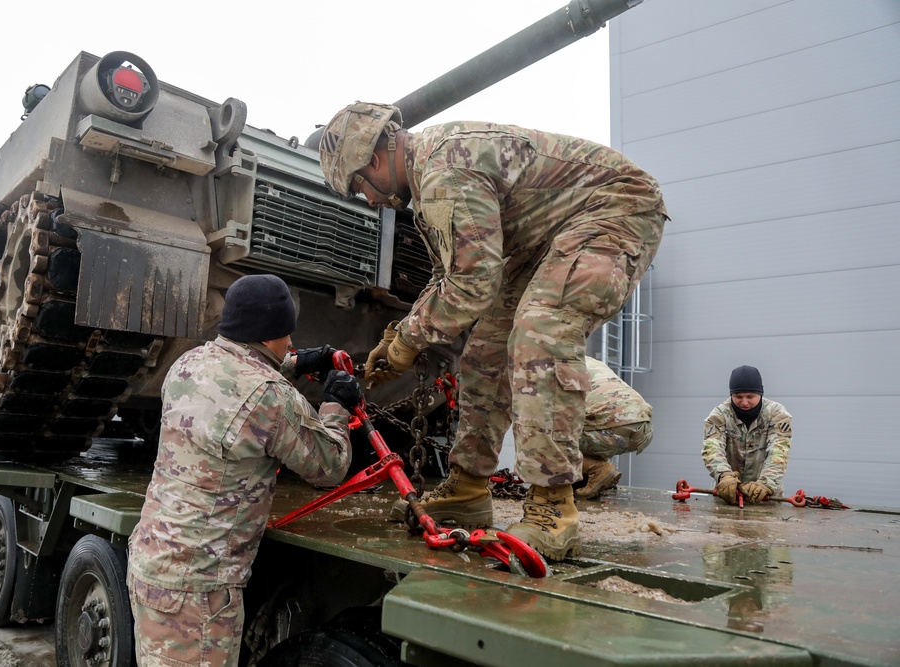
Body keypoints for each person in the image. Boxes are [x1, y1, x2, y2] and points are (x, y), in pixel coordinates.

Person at [319, 102, 667, 561]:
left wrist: (409, 341)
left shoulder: (444, 170)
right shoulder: (427, 184)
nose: (368, 200)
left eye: (359, 188)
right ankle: (467, 486)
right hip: (547, 237)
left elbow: (474, 284)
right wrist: (399, 335)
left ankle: (552, 507)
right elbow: (449, 276)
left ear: (374, 162)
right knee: (484, 351)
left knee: (540, 330)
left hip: (615, 209)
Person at [127, 273, 362, 667]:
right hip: (199, 593)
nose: (290, 342)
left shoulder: (189, 363)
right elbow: (330, 466)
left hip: (152, 565)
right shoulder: (272, 398)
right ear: (270, 333)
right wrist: (336, 404)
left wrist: (293, 363)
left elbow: (236, 383)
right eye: (287, 334)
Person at [702, 365, 792, 505]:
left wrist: (765, 483)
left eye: (750, 396)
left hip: (766, 497)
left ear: (760, 394)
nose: (744, 402)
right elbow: (712, 448)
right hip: (727, 495)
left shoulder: (777, 415)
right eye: (738, 397)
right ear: (731, 394)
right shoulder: (719, 416)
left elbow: (778, 452)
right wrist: (724, 476)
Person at [574, 356, 654, 499]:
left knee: (540, 440)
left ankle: (598, 470)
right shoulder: (585, 359)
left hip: (611, 429)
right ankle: (590, 476)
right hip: (643, 428)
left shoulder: (543, 366)